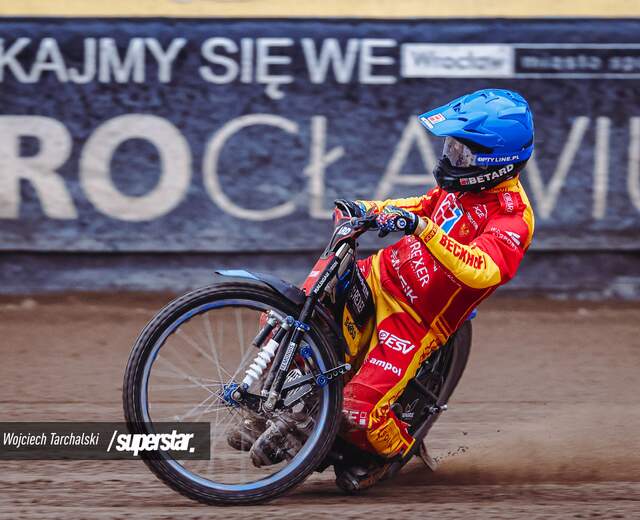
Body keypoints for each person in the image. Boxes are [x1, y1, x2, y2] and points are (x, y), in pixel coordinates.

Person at [230, 88, 536, 493]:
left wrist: (423, 230)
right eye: (451, 147)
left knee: (358, 413)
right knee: (281, 317)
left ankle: (392, 452)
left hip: (416, 319)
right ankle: (282, 405)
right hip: (377, 275)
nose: (450, 157)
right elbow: (423, 206)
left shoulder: (514, 218)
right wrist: (369, 210)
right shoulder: (462, 186)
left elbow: (482, 270)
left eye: (462, 153)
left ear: (495, 163)